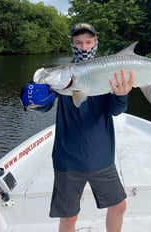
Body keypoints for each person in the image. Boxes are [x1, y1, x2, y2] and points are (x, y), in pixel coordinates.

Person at [20, 22, 135, 232]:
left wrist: (121, 95)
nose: (84, 47)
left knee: (119, 206)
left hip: (101, 156)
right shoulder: (62, 76)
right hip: (68, 159)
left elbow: (116, 110)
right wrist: (33, 101)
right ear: (72, 44)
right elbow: (44, 107)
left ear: (96, 42)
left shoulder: (108, 71)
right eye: (78, 42)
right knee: (69, 217)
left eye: (88, 42)